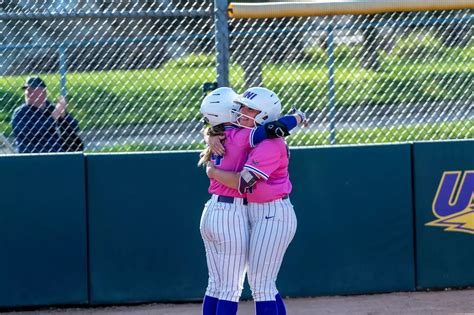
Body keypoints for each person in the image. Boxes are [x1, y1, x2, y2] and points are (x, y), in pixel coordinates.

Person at [199, 87, 304, 315]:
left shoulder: (269, 143)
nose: (242, 111)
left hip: (272, 214)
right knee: (250, 286)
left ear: (265, 114)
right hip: (245, 213)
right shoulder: (241, 133)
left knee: (259, 286)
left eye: (250, 108)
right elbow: (221, 128)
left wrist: (212, 171)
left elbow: (244, 182)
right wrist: (209, 134)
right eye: (242, 106)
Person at [11, 76, 83, 153]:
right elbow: (30, 132)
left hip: (56, 154)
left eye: (32, 90)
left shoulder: (51, 108)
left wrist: (63, 116)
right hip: (30, 157)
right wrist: (53, 117)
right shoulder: (20, 112)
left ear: (43, 91)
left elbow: (74, 127)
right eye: (27, 90)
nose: (28, 92)